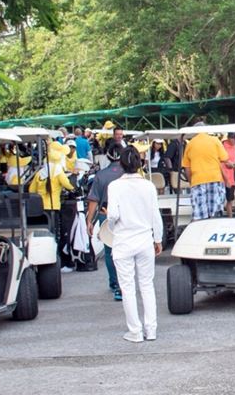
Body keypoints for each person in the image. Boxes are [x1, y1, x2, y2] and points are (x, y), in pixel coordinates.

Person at [106, 146, 163, 343]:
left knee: (127, 287)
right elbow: (156, 215)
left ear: (120, 164)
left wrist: (112, 228)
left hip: (123, 240)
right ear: (140, 163)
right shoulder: (148, 186)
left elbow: (113, 214)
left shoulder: (115, 186)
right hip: (145, 239)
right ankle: (151, 329)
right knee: (147, 285)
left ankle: (135, 331)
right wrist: (158, 239)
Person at [86, 142, 124, 300]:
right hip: (125, 214)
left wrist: (89, 221)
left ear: (107, 156)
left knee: (109, 251)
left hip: (104, 214)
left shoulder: (100, 175)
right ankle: (125, 281)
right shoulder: (128, 174)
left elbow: (93, 200)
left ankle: (114, 282)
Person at [28, 144, 76, 271]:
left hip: (39, 208)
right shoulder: (58, 172)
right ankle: (56, 261)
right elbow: (68, 185)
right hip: (53, 207)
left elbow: (31, 189)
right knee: (55, 235)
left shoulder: (40, 172)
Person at [181, 123, 232, 220]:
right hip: (215, 178)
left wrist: (191, 182)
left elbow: (187, 168)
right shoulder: (214, 140)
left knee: (200, 213)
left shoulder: (190, 144)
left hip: (198, 180)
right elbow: (224, 158)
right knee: (215, 211)